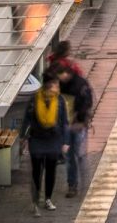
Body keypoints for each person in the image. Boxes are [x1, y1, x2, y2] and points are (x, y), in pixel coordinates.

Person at [45, 43, 94, 199]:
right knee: (70, 155)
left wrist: (82, 119)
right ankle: (72, 185)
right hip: (66, 125)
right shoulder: (59, 85)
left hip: (78, 125)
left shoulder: (79, 84)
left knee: (78, 155)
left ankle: (83, 183)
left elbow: (87, 103)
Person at [18, 74, 73, 211]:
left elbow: (65, 122)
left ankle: (48, 198)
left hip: (54, 140)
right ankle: (36, 199)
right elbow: (27, 119)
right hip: (37, 139)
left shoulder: (59, 100)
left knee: (51, 170)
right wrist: (23, 137)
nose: (58, 88)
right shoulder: (34, 100)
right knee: (37, 171)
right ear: (49, 86)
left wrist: (66, 141)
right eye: (56, 85)